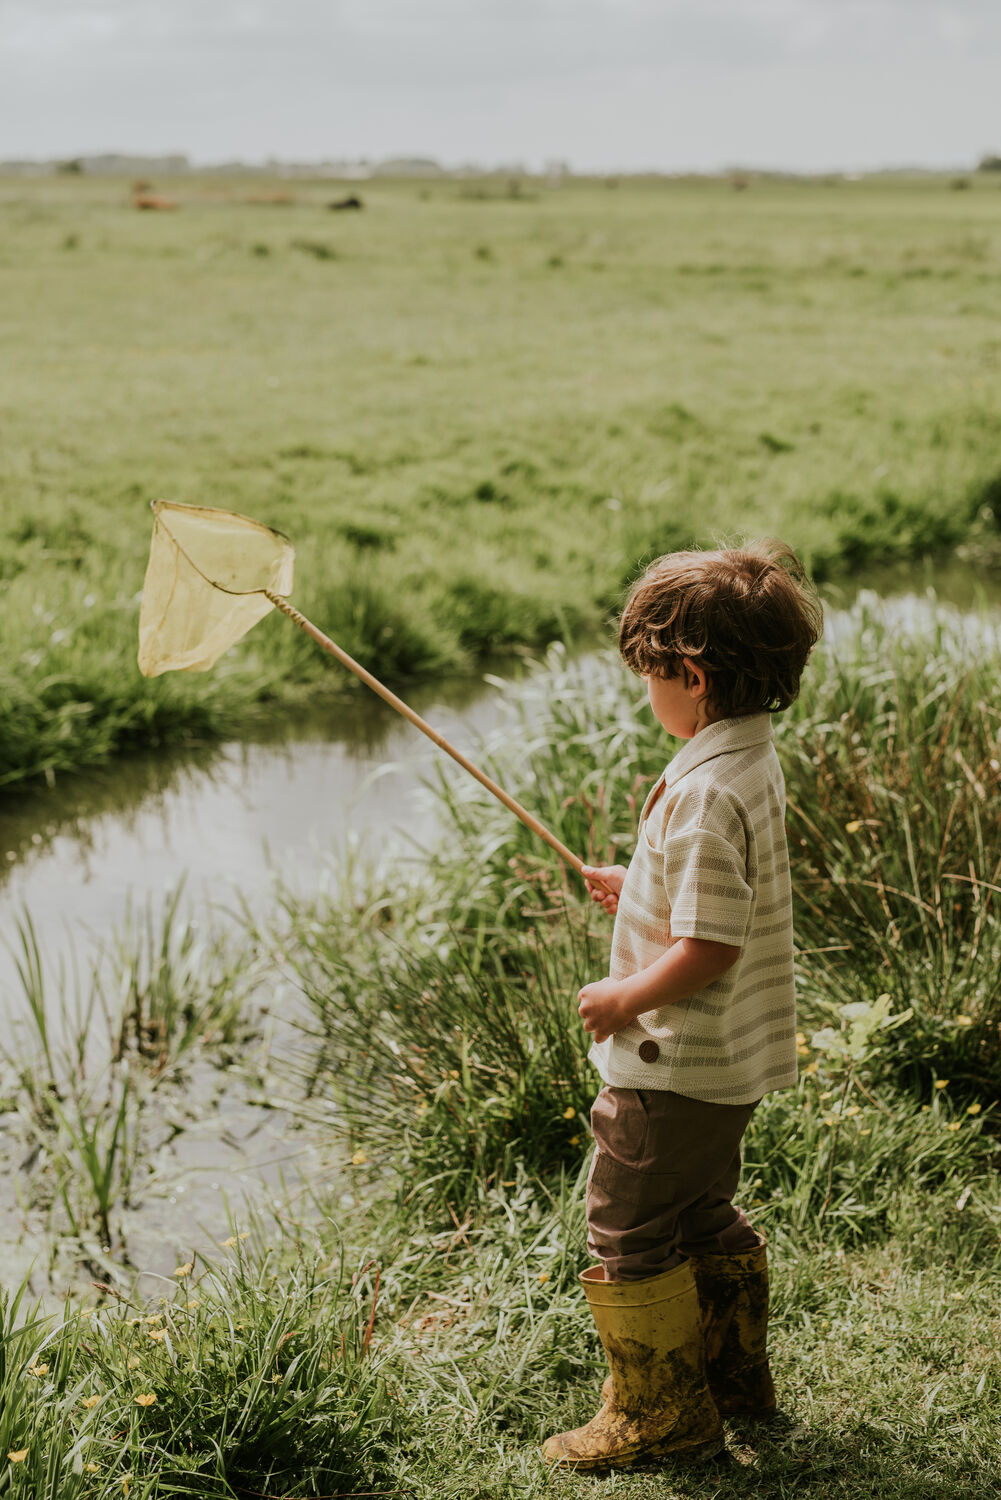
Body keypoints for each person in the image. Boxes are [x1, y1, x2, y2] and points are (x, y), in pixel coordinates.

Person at [542, 540, 823, 1469]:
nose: (645, 692)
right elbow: (710, 900)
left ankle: (661, 1416)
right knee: (700, 1210)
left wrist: (625, 993)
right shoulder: (744, 760)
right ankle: (733, 1374)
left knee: (625, 1226)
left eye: (651, 676)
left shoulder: (703, 795)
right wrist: (643, 887)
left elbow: (710, 946)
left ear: (691, 676)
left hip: (671, 1067)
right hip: (725, 1070)